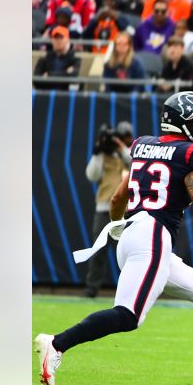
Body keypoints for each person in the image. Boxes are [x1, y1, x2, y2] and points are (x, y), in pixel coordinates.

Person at [35, 91, 193, 385]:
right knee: (128, 315)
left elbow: (116, 199)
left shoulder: (143, 145)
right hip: (152, 236)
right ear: (186, 122)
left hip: (136, 231)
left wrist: (120, 230)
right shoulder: (191, 154)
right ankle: (56, 343)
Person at [82, 121, 133, 298]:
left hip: (126, 211)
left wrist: (121, 149)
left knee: (128, 252)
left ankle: (130, 291)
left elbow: (135, 164)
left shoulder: (130, 154)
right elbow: (91, 175)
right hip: (104, 209)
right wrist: (97, 152)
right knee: (98, 251)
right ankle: (91, 289)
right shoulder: (103, 156)